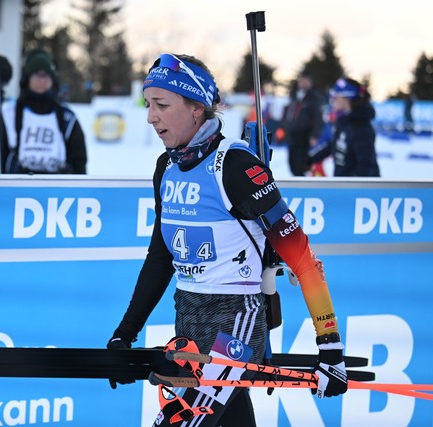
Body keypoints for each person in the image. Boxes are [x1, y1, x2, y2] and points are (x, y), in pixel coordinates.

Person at [107, 53, 347, 426]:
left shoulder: (236, 167)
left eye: (162, 105)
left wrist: (331, 350)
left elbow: (301, 256)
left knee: (180, 420)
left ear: (196, 109)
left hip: (237, 321)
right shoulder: (166, 167)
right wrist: (125, 335)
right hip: (188, 317)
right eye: (148, 104)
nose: (151, 116)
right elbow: (160, 257)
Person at [0, 48, 87, 174]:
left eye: (46, 75)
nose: (42, 80)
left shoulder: (67, 118)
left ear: (53, 79)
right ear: (27, 78)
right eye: (36, 74)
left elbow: (79, 162)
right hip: (18, 189)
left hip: (58, 190)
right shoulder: (10, 113)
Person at [310, 77, 380, 177]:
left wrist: (349, 188)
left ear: (347, 98)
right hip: (343, 185)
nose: (332, 100)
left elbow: (366, 165)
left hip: (356, 189)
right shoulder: (343, 121)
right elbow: (335, 144)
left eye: (335, 96)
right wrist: (311, 160)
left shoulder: (361, 127)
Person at [281, 71, 324, 176]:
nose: (303, 83)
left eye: (306, 81)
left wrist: (315, 135)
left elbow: (318, 118)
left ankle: (302, 183)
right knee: (292, 162)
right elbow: (288, 114)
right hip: (292, 135)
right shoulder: (294, 96)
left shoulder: (313, 98)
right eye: (301, 80)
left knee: (301, 163)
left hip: (304, 135)